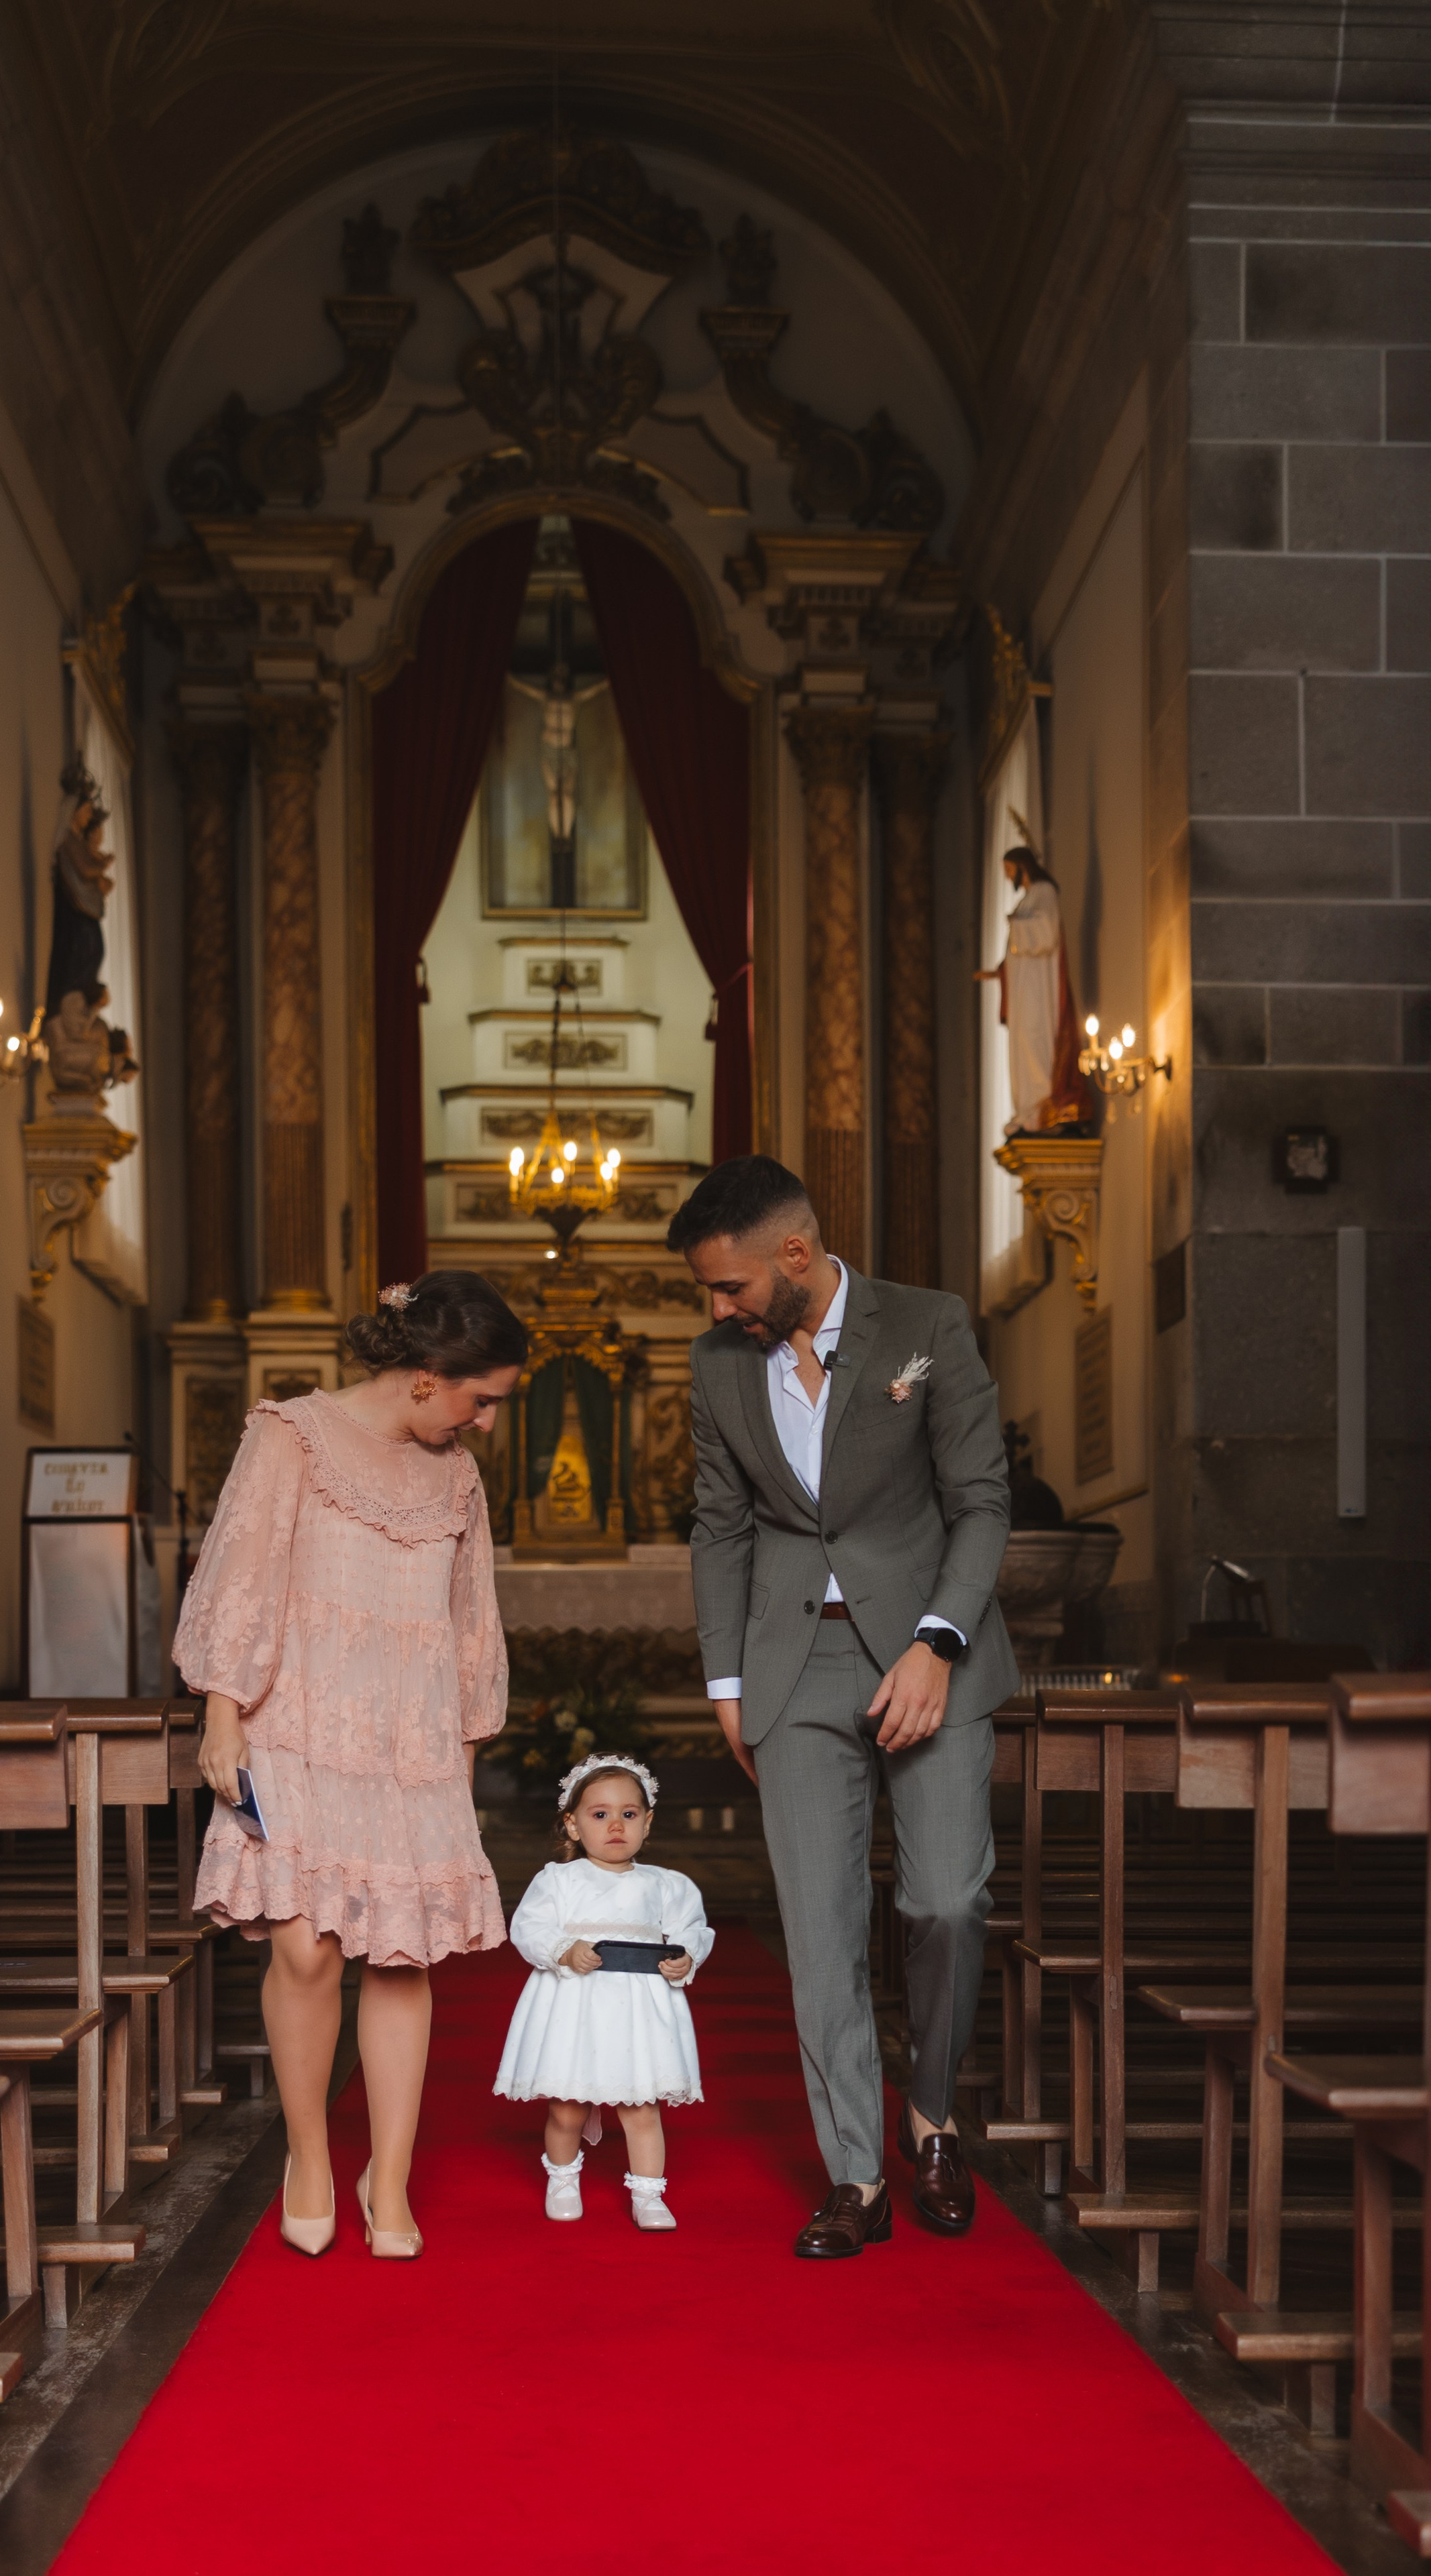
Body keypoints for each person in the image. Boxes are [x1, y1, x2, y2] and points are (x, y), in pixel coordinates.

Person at [666, 1156, 1016, 2257]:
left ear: (797, 1254)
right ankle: (857, 2173)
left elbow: (982, 1500)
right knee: (820, 1935)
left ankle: (932, 2113)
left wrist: (936, 1643)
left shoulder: (930, 1324)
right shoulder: (719, 1365)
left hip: (928, 1654)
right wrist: (727, 1682)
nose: (717, 1311)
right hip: (791, 1665)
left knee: (947, 1902)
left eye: (729, 1288)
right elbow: (719, 1524)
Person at [186, 1271, 527, 2261]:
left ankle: (390, 2173)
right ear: (428, 1376)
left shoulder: (458, 1474)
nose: (489, 1423)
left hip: (410, 1736)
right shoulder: (290, 1434)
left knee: (401, 1954)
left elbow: (472, 1623)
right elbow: (243, 1567)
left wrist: (462, 1752)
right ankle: (306, 2153)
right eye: (483, 1398)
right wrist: (221, 1713)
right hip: (294, 1717)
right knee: (303, 1949)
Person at [495, 1754, 712, 2232]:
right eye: (600, 1814)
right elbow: (527, 1926)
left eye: (629, 1814)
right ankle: (564, 2178)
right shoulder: (558, 1880)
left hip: (638, 2009)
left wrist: (686, 1955)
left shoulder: (667, 1885)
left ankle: (649, 2192)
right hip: (577, 2005)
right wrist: (564, 1950)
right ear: (572, 1825)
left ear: (647, 1822)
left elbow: (693, 1929)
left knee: (642, 2105)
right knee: (567, 2104)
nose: (616, 1824)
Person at [973, 843, 1083, 1133]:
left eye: (1010, 870)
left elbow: (1046, 934)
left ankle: (1040, 1109)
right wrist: (999, 971)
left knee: (1036, 1041)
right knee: (1023, 1044)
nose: (1009, 878)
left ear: (1023, 867)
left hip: (1038, 989)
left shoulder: (1045, 892)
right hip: (1024, 990)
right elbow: (1018, 950)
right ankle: (1027, 1110)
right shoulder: (1029, 899)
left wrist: (1016, 925)